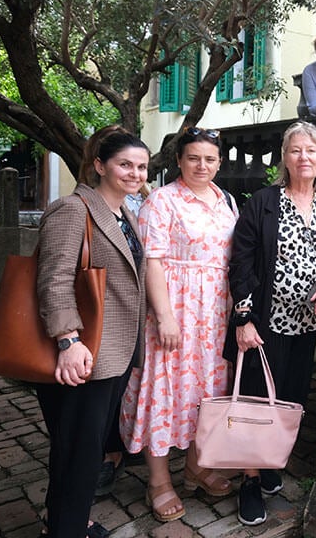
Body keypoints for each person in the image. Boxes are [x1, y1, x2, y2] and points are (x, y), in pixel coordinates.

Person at [228, 122, 316, 525]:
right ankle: (250, 481)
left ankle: (270, 465)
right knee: (256, 402)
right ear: (284, 158)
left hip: (305, 324)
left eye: (311, 151)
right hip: (265, 323)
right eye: (295, 151)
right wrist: (244, 319)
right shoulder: (264, 202)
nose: (303, 157)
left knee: (289, 400)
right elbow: (241, 263)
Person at [35, 129, 149, 538]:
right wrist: (67, 340)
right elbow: (53, 279)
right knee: (79, 452)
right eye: (124, 164)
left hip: (113, 351)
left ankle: (63, 518)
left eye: (140, 166)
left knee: (83, 447)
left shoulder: (125, 214)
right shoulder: (73, 209)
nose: (134, 173)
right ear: (100, 165)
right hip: (82, 352)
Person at [120, 127, 238, 522]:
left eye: (209, 159)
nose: (201, 165)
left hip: (215, 314)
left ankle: (196, 466)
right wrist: (165, 315)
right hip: (176, 310)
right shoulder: (162, 201)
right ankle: (158, 480)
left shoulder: (227, 201)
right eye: (193, 158)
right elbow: (152, 260)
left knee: (206, 390)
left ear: (219, 162)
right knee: (165, 391)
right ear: (179, 161)